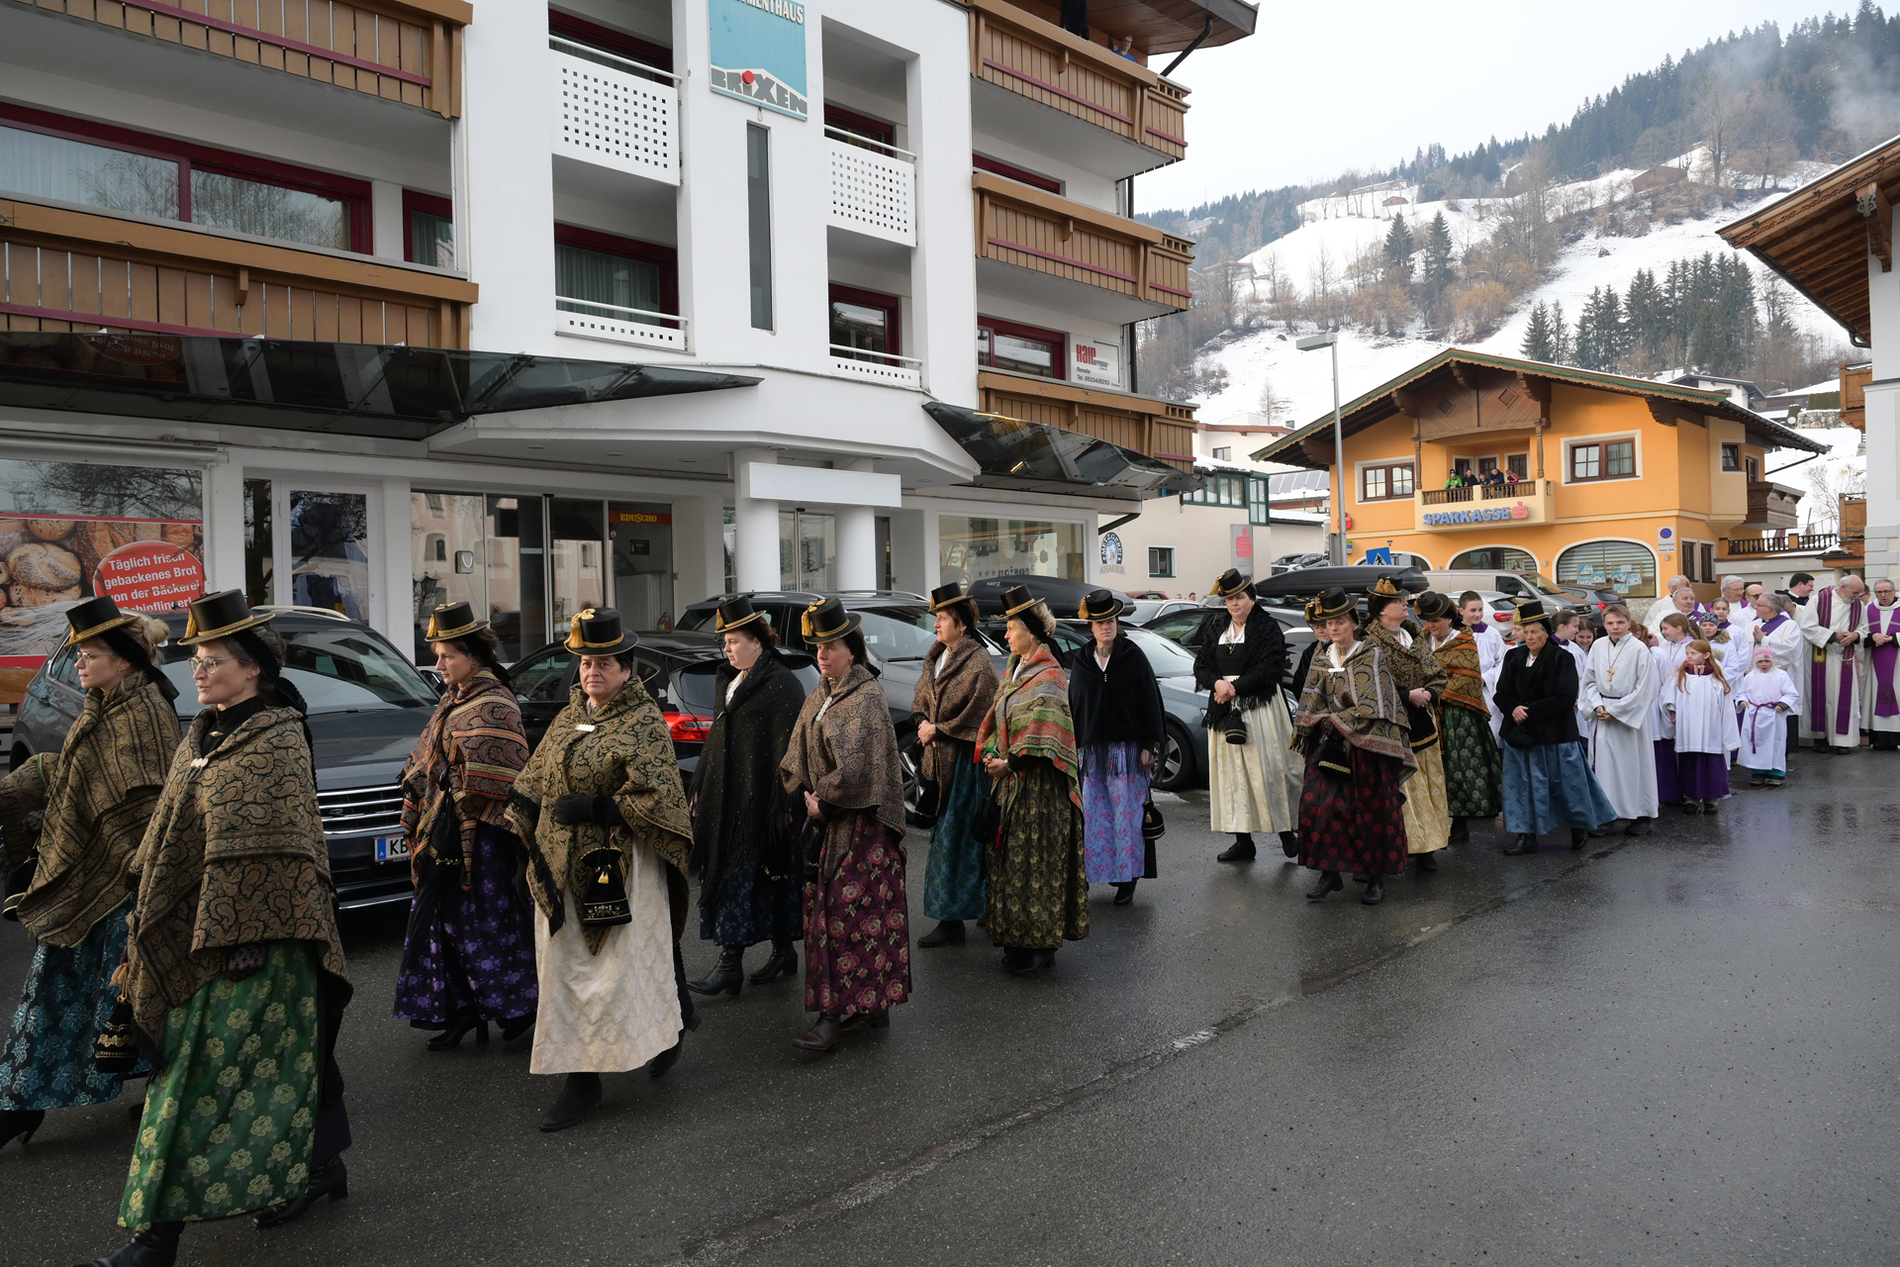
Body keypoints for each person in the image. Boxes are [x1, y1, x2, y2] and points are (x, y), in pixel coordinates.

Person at [79, 591, 353, 1266]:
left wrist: (250, 928)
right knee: (287, 1059)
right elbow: (171, 827)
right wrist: (144, 884)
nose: (198, 672)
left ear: (253, 667)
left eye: (212, 660)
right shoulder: (202, 733)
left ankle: (155, 1239)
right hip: (195, 931)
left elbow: (287, 846)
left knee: (195, 1082)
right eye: (196, 660)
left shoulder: (279, 739)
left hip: (256, 944)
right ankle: (323, 1164)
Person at [506, 608, 695, 1132]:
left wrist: (601, 808)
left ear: (626, 669)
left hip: (618, 865)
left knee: (614, 974)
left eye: (605, 663)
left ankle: (604, 1068)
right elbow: (535, 776)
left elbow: (662, 798)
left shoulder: (644, 721)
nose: (593, 672)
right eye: (587, 663)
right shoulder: (570, 714)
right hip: (560, 862)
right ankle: (585, 1074)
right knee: (566, 972)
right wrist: (520, 840)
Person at [0, 598, 176, 1154]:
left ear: (123, 660)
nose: (78, 662)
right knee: (73, 992)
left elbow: (146, 806)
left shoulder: (144, 714)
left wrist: (91, 830)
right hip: (93, 881)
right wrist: (45, 790)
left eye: (89, 654)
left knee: (129, 997)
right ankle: (19, 1103)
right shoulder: (104, 704)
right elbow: (86, 774)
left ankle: (162, 1090)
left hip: (124, 885)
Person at [394, 604, 536, 1052]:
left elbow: (504, 774)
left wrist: (446, 776)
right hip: (446, 831)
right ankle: (459, 1010)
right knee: (443, 921)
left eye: (447, 656)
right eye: (437, 655)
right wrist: (420, 779)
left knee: (487, 924)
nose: (438, 665)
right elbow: (428, 754)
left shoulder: (495, 701)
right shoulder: (452, 698)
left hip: (486, 840)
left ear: (474, 656)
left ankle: (516, 1008)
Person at [779, 597, 910, 1048]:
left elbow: (861, 768)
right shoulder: (822, 693)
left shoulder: (866, 696)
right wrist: (805, 793)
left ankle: (834, 1017)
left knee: (846, 919)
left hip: (862, 828)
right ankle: (869, 1010)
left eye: (830, 647)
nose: (822, 655)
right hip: (827, 820)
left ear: (851, 650)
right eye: (818, 647)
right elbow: (798, 748)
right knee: (836, 916)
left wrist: (827, 805)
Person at [686, 597, 808, 995]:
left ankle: (731, 965)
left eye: (734, 640)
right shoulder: (729, 679)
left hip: (762, 805)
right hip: (727, 801)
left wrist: (785, 804)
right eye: (724, 641)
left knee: (755, 878)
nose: (726, 648)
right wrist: (701, 786)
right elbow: (718, 741)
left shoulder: (783, 684)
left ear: (758, 641)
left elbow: (789, 749)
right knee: (746, 879)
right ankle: (782, 952)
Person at [978, 587, 1087, 974]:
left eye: (1011, 628)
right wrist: (993, 753)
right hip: (1011, 788)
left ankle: (1040, 947)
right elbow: (998, 720)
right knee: (1010, 864)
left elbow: (1047, 734)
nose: (1006, 634)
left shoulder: (1051, 676)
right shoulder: (1013, 671)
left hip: (1041, 792)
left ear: (1031, 632)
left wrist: (1010, 763)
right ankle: (1016, 939)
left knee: (1037, 865)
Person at [1293, 588, 1414, 905]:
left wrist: (1338, 719)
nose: (1333, 628)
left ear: (1354, 624)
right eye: (1329, 623)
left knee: (1368, 812)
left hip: (1367, 747)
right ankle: (1329, 873)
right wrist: (1318, 720)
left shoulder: (1370, 655)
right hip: (1329, 744)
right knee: (1318, 807)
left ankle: (1375, 878)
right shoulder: (1322, 656)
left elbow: (1375, 704)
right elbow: (1311, 697)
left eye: (1340, 622)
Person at [1194, 569, 1301, 862]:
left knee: (1268, 771)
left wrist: (1234, 688)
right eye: (1229, 599)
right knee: (1232, 776)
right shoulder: (1217, 626)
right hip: (1224, 708)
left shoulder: (1267, 627)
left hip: (1260, 708)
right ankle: (1243, 841)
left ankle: (1286, 833)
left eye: (1239, 597)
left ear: (1252, 599)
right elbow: (1201, 665)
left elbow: (1270, 666)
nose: (1234, 603)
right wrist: (1217, 684)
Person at [913, 584, 998, 948]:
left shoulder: (978, 662)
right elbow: (921, 698)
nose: (936, 624)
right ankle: (964, 914)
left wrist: (941, 729)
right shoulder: (936, 657)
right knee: (948, 839)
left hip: (966, 766)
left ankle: (957, 918)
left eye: (943, 618)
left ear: (962, 625)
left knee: (959, 840)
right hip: (940, 763)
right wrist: (922, 722)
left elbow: (984, 715)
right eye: (937, 618)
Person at [1495, 600, 1617, 854]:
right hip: (1519, 734)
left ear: (1546, 633)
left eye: (1535, 632)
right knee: (1522, 788)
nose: (1529, 637)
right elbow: (1501, 692)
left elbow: (1565, 696)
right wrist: (1513, 709)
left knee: (1566, 786)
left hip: (1555, 734)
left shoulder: (1562, 657)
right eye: (1526, 632)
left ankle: (1578, 829)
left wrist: (1528, 712)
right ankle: (1526, 836)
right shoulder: (1513, 656)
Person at [1068, 590, 1164, 904]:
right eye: (1099, 622)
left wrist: (1149, 744)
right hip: (1092, 754)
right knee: (1094, 817)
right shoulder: (1082, 660)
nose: (1106, 626)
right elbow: (1076, 705)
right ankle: (1092, 874)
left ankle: (1127, 878)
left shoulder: (1133, 656)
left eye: (1110, 620)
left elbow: (1150, 701)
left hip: (1128, 752)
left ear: (1117, 622)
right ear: (1091, 627)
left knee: (1127, 817)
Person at [1360, 578, 1449, 871]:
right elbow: (1369, 685)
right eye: (1398, 601)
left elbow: (1438, 674)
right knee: (1405, 787)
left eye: (1404, 600)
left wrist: (1430, 693)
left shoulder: (1413, 635)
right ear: (1381, 610)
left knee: (1429, 785)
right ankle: (1406, 845)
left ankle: (1428, 847)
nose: (1405, 604)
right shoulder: (1369, 641)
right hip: (1392, 725)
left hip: (1423, 721)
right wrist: (1407, 695)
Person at [1417, 592, 1501, 847]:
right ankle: (1436, 821)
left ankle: (1461, 823)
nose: (1432, 625)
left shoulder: (1465, 642)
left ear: (1450, 619)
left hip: (1457, 714)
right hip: (1427, 712)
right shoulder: (1422, 641)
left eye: (1436, 620)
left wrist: (1434, 693)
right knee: (1432, 769)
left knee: (1458, 768)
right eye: (1429, 620)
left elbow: (1467, 679)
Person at [1581, 604, 1660, 836]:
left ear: (1628, 623)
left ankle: (1641, 814)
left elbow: (1647, 687)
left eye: (1620, 623)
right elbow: (1589, 680)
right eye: (1610, 623)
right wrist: (1597, 705)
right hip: (1602, 714)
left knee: (1633, 766)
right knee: (1605, 768)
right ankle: (1607, 815)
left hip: (1627, 717)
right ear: (1604, 624)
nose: (1615, 627)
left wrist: (1616, 710)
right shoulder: (1598, 646)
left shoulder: (1639, 649)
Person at [1662, 640, 1739, 815]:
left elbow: (1726, 708)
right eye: (1687, 653)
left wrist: (1728, 735)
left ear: (1706, 655)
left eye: (1693, 653)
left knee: (1711, 764)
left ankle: (1712, 799)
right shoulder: (1680, 677)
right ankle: (1692, 798)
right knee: (1690, 763)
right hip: (1688, 728)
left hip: (1711, 728)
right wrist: (1673, 711)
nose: (1689, 656)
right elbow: (1667, 696)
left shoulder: (1716, 680)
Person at [1795, 574, 1867, 754]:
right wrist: (1834, 636)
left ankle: (1843, 740)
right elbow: (1807, 626)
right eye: (1855, 592)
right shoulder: (1818, 600)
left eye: (1860, 593)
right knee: (1819, 696)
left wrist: (1856, 635)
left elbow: (1864, 628)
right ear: (1843, 588)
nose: (1858, 596)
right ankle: (1820, 738)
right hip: (1820, 656)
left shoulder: (1858, 605)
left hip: (1844, 657)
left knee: (1844, 698)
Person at [1737, 647, 1802, 788]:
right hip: (1754, 715)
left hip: (1773, 715)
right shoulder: (1750, 676)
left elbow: (1791, 693)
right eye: (1760, 661)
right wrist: (1742, 701)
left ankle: (1776, 773)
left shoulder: (1781, 675)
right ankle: (1758, 772)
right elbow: (1742, 693)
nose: (1764, 664)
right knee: (1756, 743)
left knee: (1775, 742)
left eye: (1767, 661)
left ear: (1772, 661)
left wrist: (1782, 705)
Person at [1651, 613, 1694, 806]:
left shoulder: (1691, 647)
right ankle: (1671, 788)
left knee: (1685, 745)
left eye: (1665, 628)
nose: (1663, 632)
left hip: (1685, 697)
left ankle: (1687, 788)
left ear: (1679, 628)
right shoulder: (1664, 646)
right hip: (1665, 699)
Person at [1861, 578, 1900, 750]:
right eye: (1879, 592)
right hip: (1874, 662)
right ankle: (1879, 739)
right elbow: (1860, 632)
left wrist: (1894, 638)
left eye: (1887, 591)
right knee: (1875, 695)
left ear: (1894, 591)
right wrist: (1872, 636)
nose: (1883, 595)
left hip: (1898, 664)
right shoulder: (1868, 609)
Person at [1462, 591, 1505, 741]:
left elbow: (1502, 662)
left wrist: (1485, 678)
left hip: (1485, 692)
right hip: (1460, 693)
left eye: (1480, 609)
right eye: (1473, 610)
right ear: (1461, 611)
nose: (1478, 614)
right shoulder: (1453, 634)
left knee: (1489, 736)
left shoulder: (1492, 634)